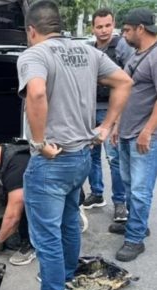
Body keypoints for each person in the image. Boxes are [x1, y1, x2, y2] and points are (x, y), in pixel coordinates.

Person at [16, 1, 133, 290]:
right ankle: (66, 276)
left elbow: (37, 92)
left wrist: (40, 143)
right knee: (68, 220)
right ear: (57, 25)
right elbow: (124, 81)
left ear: (32, 30)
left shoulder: (34, 54)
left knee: (45, 237)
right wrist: (105, 127)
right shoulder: (88, 52)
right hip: (81, 156)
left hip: (52, 160)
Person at [110, 8, 157, 262]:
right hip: (128, 132)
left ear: (141, 28)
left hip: (145, 136)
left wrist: (147, 131)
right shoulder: (136, 55)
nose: (123, 34)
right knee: (128, 184)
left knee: (140, 189)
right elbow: (126, 92)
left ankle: (135, 239)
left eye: (127, 29)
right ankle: (136, 225)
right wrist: (117, 124)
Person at [83, 8, 134, 223]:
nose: (104, 30)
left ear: (113, 25)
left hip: (111, 110)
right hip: (89, 109)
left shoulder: (121, 46)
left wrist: (120, 116)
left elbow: (130, 79)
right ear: (92, 28)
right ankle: (96, 193)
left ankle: (120, 202)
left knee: (113, 158)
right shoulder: (89, 49)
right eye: (99, 26)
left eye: (107, 25)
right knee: (90, 155)